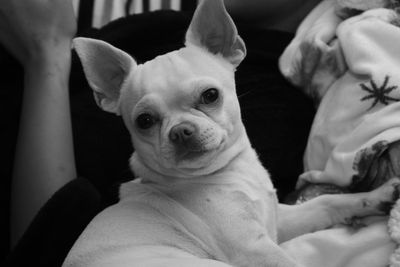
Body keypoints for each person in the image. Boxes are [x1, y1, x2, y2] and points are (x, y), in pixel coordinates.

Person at [1, 0, 320, 265]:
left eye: (208, 98)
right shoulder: (178, 39)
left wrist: (46, 53)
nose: (179, 130)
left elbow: (42, 237)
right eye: (147, 121)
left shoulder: (272, 96)